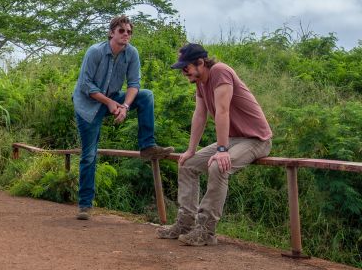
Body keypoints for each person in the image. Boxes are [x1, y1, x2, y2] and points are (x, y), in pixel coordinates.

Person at [157, 43, 272, 246]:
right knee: (188, 164)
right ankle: (185, 224)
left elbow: (222, 111)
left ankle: (206, 231)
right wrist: (191, 150)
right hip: (234, 138)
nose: (184, 72)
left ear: (200, 63)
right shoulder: (200, 82)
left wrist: (221, 149)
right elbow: (200, 115)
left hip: (256, 139)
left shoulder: (220, 71)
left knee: (219, 166)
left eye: (186, 67)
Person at [73, 14, 173, 221]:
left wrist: (125, 106)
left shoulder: (131, 53)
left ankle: (147, 146)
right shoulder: (95, 52)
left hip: (113, 97)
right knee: (89, 154)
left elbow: (134, 84)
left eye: (129, 32)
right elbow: (86, 85)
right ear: (111, 33)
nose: (126, 34)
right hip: (88, 105)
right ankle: (85, 204)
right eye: (121, 31)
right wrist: (110, 103)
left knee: (146, 96)